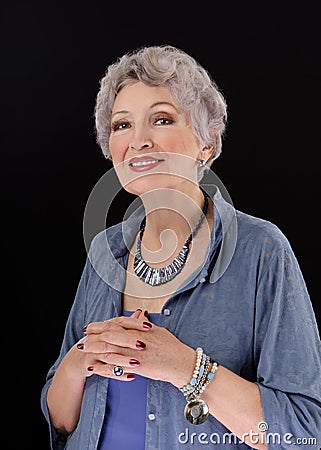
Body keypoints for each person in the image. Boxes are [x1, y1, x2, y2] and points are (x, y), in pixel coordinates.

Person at [40, 44, 321, 450]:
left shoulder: (261, 252)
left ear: (206, 143)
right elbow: (61, 421)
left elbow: (302, 432)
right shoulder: (107, 249)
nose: (138, 140)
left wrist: (187, 368)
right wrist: (80, 360)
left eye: (161, 119)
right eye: (122, 125)